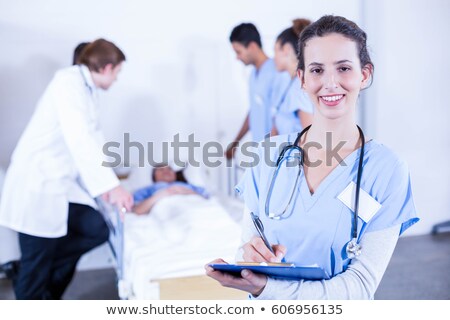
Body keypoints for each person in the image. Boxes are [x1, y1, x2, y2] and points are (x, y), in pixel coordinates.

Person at [206, 15, 419, 299]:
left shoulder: (386, 171)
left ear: (364, 74)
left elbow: (359, 288)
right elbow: (247, 248)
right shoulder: (268, 156)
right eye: (317, 70)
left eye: (343, 68)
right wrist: (248, 259)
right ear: (302, 79)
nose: (330, 83)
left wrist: (268, 287)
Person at [0, 38, 134, 299]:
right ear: (107, 68)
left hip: (60, 184)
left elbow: (94, 140)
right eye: (118, 72)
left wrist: (107, 185)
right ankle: (30, 287)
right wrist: (111, 186)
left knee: (96, 228)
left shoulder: (87, 90)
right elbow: (79, 137)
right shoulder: (67, 82)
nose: (117, 79)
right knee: (37, 262)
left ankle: (28, 275)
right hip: (36, 184)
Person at [225, 23, 290, 159]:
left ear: (252, 46)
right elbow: (254, 111)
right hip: (260, 153)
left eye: (238, 52)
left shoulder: (278, 73)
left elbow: (281, 117)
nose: (237, 57)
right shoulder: (253, 75)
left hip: (276, 153)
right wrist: (236, 142)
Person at [271, 19, 314, 136]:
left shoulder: (299, 87)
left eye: (275, 51)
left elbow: (311, 139)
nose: (273, 58)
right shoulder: (290, 82)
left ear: (286, 50)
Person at [133, 164, 209, 215]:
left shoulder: (190, 186)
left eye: (169, 169)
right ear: (154, 175)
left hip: (195, 208)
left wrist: (186, 191)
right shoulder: (148, 189)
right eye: (161, 170)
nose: (166, 171)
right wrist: (163, 194)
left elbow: (206, 199)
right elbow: (137, 210)